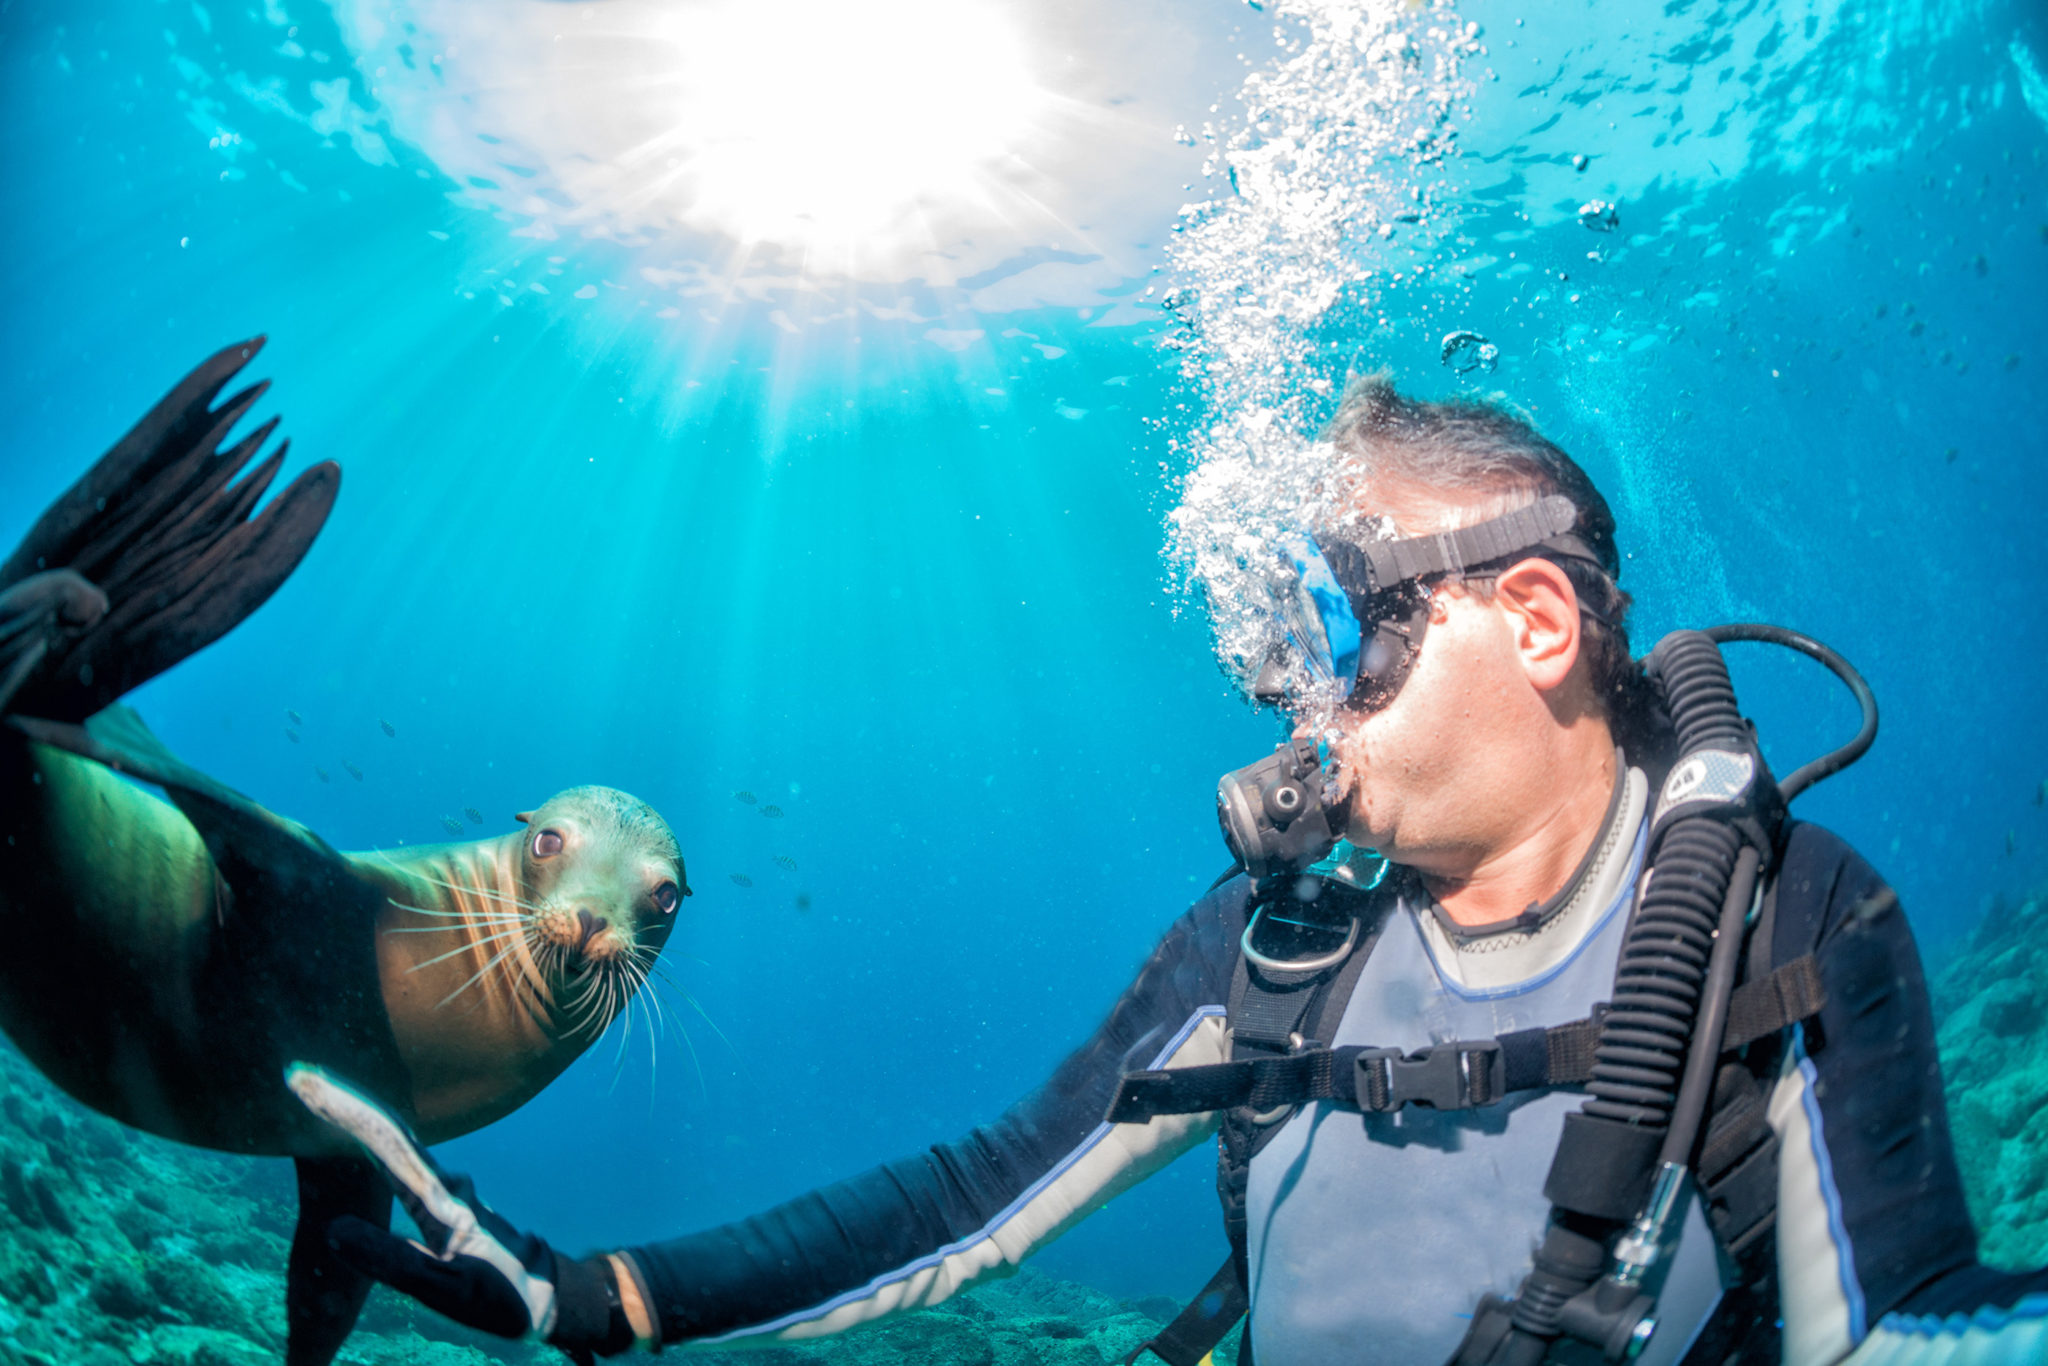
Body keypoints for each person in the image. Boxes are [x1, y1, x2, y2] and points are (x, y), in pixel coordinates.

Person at [295, 376, 2048, 1365]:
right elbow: (973, 1199)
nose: (1307, 708)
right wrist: (588, 1293)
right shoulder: (1270, 945)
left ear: (1534, 619)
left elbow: (1895, 1339)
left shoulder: (1787, 920)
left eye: (1353, 639)